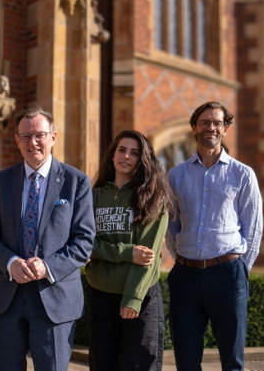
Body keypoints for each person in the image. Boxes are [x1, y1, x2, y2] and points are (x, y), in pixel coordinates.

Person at [0, 107, 96, 371]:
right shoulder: (1, 181)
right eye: (26, 137)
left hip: (55, 299)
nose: (33, 142)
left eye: (40, 135)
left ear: (53, 137)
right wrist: (10, 263)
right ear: (17, 141)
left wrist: (48, 266)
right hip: (9, 297)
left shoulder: (76, 182)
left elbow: (84, 241)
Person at [166, 101, 263, 371]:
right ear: (195, 127)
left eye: (217, 123)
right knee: (186, 360)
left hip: (228, 275)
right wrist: (185, 258)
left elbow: (253, 229)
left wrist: (241, 270)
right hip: (186, 277)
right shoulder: (176, 175)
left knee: (232, 361)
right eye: (205, 122)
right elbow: (171, 228)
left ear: (226, 128)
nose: (211, 127)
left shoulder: (243, 175)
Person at [85, 130, 173, 371]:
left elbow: (148, 255)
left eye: (134, 153)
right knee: (102, 364)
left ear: (142, 160)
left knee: (140, 365)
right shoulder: (92, 197)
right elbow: (84, 244)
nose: (126, 156)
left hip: (140, 296)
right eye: (122, 150)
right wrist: (125, 252)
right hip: (100, 292)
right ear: (112, 155)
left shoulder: (153, 197)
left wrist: (133, 299)